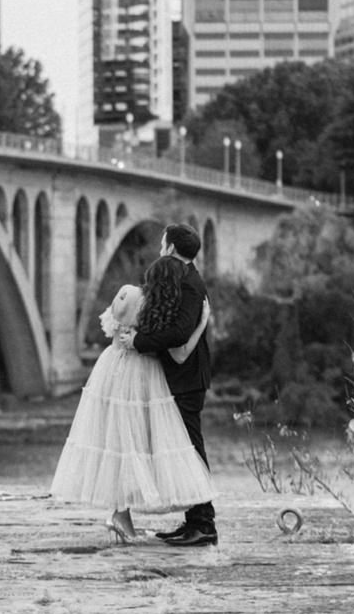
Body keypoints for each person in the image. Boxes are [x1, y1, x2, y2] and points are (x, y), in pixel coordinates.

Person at [49, 262, 214, 544]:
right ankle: (128, 514)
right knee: (142, 443)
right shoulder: (156, 308)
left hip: (112, 371)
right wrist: (201, 322)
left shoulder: (128, 294)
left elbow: (112, 325)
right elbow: (178, 352)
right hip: (141, 377)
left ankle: (120, 513)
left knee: (117, 443)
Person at [132, 222, 217, 547]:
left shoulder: (190, 284)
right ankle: (193, 521)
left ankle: (204, 525)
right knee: (185, 449)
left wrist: (139, 341)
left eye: (162, 243)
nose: (159, 248)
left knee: (191, 450)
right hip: (181, 378)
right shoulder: (183, 278)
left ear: (170, 248)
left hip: (188, 379)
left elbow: (180, 334)